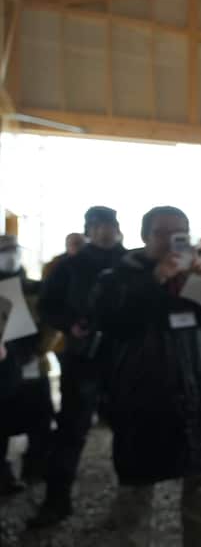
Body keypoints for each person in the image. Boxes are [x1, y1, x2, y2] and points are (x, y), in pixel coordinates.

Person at [91, 206, 201, 546]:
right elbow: (110, 317)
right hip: (144, 397)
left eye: (181, 231)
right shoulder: (118, 275)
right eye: (162, 232)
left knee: (200, 487)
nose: (173, 238)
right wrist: (155, 278)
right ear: (145, 236)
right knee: (137, 492)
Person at [30, 206, 126, 527]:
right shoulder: (68, 266)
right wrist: (71, 324)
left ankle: (132, 502)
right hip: (82, 358)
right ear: (87, 230)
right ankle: (56, 501)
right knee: (70, 430)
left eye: (108, 224)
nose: (103, 231)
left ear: (117, 227)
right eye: (96, 226)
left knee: (131, 429)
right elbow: (47, 305)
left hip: (127, 360)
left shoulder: (132, 263)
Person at [0, 236, 54, 496]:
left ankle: (37, 467)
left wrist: (40, 349)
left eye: (13, 251)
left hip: (34, 362)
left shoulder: (35, 288)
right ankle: (4, 475)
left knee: (40, 419)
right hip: (2, 368)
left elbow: (51, 321)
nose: (10, 256)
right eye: (3, 252)